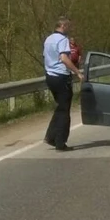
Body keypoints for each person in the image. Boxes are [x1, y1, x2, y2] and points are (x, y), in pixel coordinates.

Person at [43, 17, 83, 151]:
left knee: (60, 107)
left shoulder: (48, 39)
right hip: (61, 77)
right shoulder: (63, 40)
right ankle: (60, 142)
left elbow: (46, 57)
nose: (69, 29)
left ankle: (51, 137)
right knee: (64, 110)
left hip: (50, 77)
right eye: (68, 27)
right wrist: (77, 72)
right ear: (63, 26)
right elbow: (64, 58)